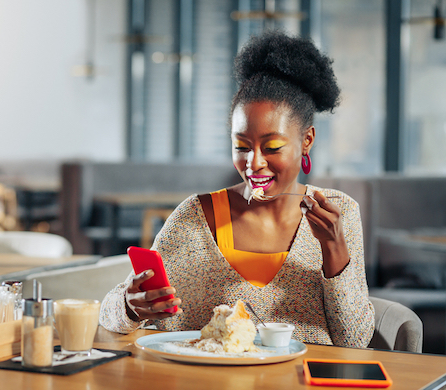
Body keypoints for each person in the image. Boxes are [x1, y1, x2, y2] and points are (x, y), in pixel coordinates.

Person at [99, 30, 375, 348]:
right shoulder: (195, 216)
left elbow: (355, 341)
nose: (253, 163)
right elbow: (109, 315)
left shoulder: (341, 213)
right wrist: (130, 308)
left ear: (307, 141)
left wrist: (334, 247)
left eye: (272, 147)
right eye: (241, 146)